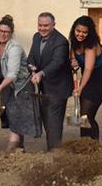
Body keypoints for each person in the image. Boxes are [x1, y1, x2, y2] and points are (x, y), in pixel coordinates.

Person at [0, 15, 42, 152]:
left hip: (21, 87)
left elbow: (12, 74)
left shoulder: (15, 48)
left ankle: (11, 150)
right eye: (0, 31)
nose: (2, 34)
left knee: (16, 118)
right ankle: (20, 149)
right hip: (8, 86)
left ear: (11, 33)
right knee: (12, 116)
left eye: (6, 32)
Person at [27, 12, 72, 151]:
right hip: (42, 88)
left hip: (57, 88)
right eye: (40, 25)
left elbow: (57, 62)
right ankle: (52, 149)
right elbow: (32, 56)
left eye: (46, 25)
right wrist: (31, 66)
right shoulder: (36, 37)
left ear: (53, 25)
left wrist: (41, 73)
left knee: (54, 123)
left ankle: (55, 153)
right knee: (47, 121)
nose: (42, 28)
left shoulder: (61, 41)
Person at [69, 16, 102, 141]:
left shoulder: (91, 45)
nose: (80, 34)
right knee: (82, 114)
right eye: (78, 31)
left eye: (84, 32)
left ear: (89, 33)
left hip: (100, 79)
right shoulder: (74, 42)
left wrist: (80, 88)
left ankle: (93, 144)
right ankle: (85, 142)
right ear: (74, 30)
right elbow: (73, 58)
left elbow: (88, 68)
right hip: (86, 78)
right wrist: (73, 61)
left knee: (87, 114)